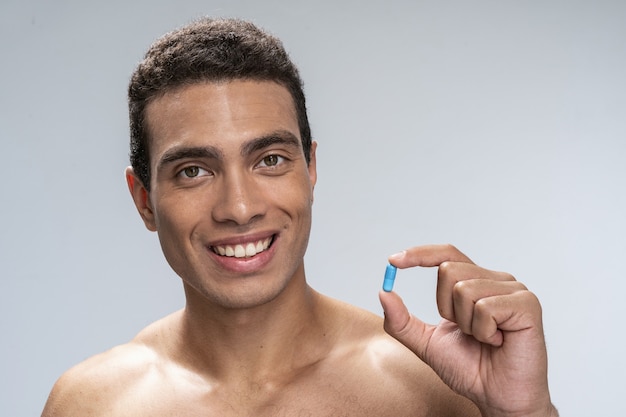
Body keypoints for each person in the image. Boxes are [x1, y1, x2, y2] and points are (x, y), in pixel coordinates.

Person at [42, 18, 558, 416]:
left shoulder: (429, 385)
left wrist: (523, 413)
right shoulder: (91, 404)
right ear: (145, 201)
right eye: (194, 170)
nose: (240, 208)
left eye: (269, 160)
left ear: (310, 168)